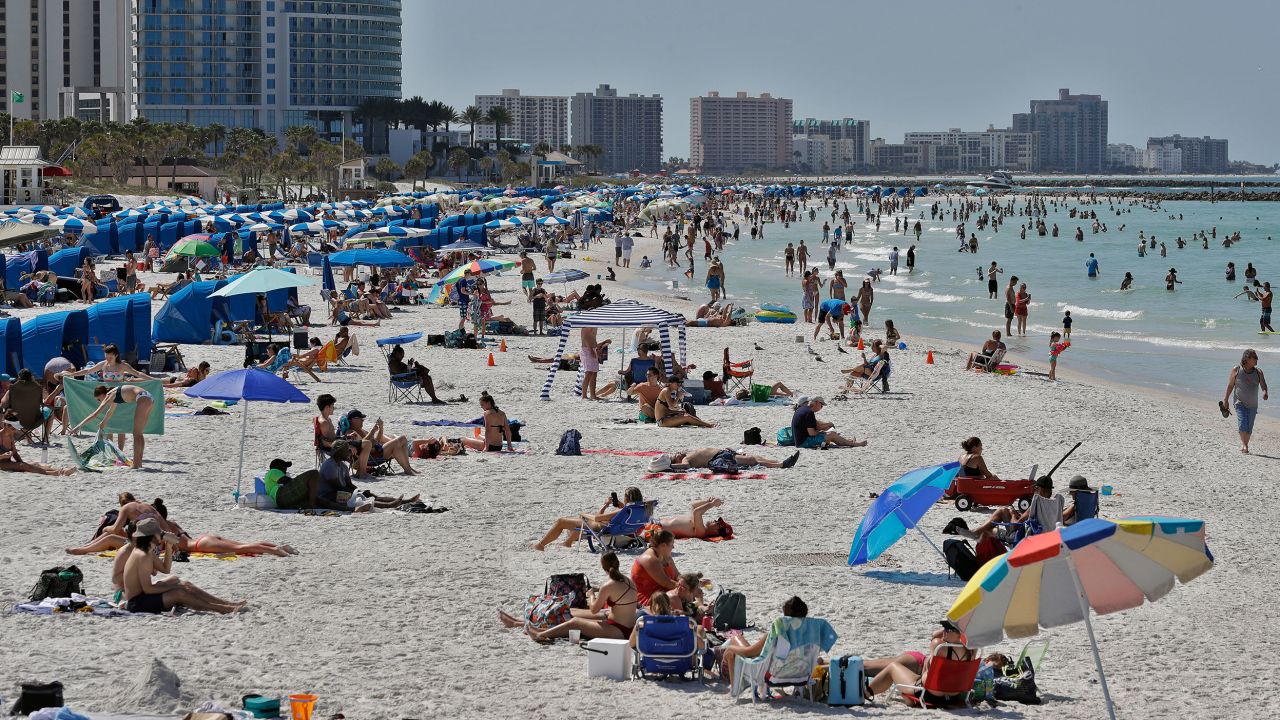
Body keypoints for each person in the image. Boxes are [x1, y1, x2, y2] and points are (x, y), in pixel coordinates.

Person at [503, 551, 639, 642]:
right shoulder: (628, 581)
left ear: (603, 566)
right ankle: (521, 623)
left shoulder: (608, 585)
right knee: (570, 612)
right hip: (624, 624)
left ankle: (540, 634)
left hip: (619, 631)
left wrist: (591, 595)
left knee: (575, 622)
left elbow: (594, 609)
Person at [122, 518, 245, 614]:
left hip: (144, 596)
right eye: (159, 532)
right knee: (179, 592)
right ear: (152, 536)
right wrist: (174, 588)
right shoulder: (142, 555)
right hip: (137, 603)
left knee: (184, 583)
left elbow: (166, 569)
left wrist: (169, 546)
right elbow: (148, 589)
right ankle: (222, 609)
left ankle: (226, 603)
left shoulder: (147, 550)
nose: (161, 534)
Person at [866, 621, 976, 700]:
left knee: (892, 667)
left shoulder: (939, 646)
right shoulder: (972, 650)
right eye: (944, 629)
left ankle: (864, 695)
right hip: (954, 696)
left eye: (949, 629)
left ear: (960, 633)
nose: (944, 632)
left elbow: (934, 636)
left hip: (929, 693)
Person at [721, 596, 815, 687]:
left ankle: (733, 690)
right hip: (798, 675)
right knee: (738, 640)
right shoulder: (810, 638)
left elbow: (748, 653)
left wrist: (731, 648)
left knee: (732, 646)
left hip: (765, 675)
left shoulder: (776, 636)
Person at [71, 384, 156, 469]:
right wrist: (103, 422)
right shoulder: (114, 395)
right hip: (148, 397)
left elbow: (95, 414)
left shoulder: (110, 395)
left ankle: (136, 464)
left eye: (98, 399)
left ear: (103, 394)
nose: (99, 401)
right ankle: (139, 463)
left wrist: (79, 426)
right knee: (139, 433)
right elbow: (110, 412)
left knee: (136, 433)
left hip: (143, 398)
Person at [317, 440, 417, 512]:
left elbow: (349, 485)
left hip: (338, 492)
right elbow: (337, 488)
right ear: (339, 452)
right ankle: (388, 505)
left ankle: (402, 501)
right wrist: (358, 493)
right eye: (346, 451)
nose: (349, 453)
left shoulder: (342, 466)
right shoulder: (330, 466)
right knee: (361, 497)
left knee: (368, 494)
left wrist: (359, 491)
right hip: (328, 496)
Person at [533, 487, 644, 550]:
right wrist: (620, 505)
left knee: (561, 521)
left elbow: (597, 517)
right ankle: (568, 542)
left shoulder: (621, 511)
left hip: (598, 528)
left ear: (627, 498)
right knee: (578, 522)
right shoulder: (638, 510)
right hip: (618, 529)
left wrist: (604, 505)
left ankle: (540, 545)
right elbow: (626, 512)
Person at [1222, 348, 1268, 454]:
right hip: (1239, 402)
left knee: (1249, 427)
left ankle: (1245, 444)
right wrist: (1226, 400)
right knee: (1242, 422)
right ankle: (1245, 445)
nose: (1257, 359)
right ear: (1247, 358)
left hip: (1253, 404)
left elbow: (1263, 384)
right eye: (1255, 357)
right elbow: (1230, 386)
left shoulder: (1258, 372)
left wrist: (1265, 391)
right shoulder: (1236, 370)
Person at [342, 409, 415, 475]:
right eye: (360, 418)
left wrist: (381, 428)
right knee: (398, 441)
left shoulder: (362, 430)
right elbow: (360, 445)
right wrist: (372, 431)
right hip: (369, 458)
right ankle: (408, 470)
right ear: (352, 420)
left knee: (403, 439)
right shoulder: (350, 432)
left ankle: (408, 468)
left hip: (376, 453)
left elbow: (376, 441)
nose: (362, 420)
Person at [0, 415, 74, 474]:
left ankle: (62, 470)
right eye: (13, 429)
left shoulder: (10, 435)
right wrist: (4, 456)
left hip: (8, 462)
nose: (15, 431)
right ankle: (57, 473)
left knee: (34, 464)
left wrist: (20, 461)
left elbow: (15, 453)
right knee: (23, 466)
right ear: (7, 426)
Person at [790, 396, 865, 449]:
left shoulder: (803, 409)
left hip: (799, 441)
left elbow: (816, 424)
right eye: (821, 405)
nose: (821, 407)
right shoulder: (809, 412)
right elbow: (812, 433)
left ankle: (846, 441)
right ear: (816, 402)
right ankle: (853, 444)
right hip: (804, 442)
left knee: (829, 433)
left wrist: (826, 427)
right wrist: (822, 432)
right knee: (832, 434)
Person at [631, 529, 680, 605]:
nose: (673, 547)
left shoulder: (665, 555)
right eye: (672, 544)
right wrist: (687, 587)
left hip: (663, 591)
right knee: (677, 596)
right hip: (648, 597)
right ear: (663, 545)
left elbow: (677, 575)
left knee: (696, 592)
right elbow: (666, 583)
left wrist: (692, 582)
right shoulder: (650, 559)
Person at [654, 448, 799, 471]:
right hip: (719, 457)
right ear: (676, 461)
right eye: (675, 455)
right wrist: (671, 467)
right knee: (753, 460)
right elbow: (684, 467)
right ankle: (781, 465)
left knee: (755, 457)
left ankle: (777, 460)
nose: (678, 452)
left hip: (723, 452)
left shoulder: (686, 456)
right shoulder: (685, 461)